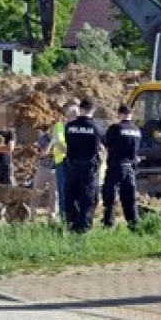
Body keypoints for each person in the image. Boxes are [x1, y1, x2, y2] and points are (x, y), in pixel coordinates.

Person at [63, 98, 105, 233]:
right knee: (88, 196)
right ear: (93, 110)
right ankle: (84, 227)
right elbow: (103, 147)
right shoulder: (97, 127)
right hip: (89, 167)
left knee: (72, 194)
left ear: (80, 109)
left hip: (72, 166)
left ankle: (72, 223)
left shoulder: (69, 126)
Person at [102, 104, 142, 230]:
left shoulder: (115, 128)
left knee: (110, 196)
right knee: (130, 198)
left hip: (116, 166)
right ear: (130, 114)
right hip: (130, 167)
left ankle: (108, 224)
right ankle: (134, 225)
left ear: (120, 114)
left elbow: (106, 144)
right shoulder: (137, 130)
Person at [51, 104, 77, 222]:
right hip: (62, 164)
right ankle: (65, 219)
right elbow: (60, 145)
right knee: (63, 191)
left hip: (75, 163)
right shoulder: (60, 127)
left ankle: (74, 217)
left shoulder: (78, 128)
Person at [31, 128, 60, 219]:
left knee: (55, 193)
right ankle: (32, 213)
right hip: (43, 168)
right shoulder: (43, 138)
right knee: (37, 190)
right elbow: (43, 153)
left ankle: (52, 214)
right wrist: (52, 142)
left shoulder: (62, 138)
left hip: (56, 169)